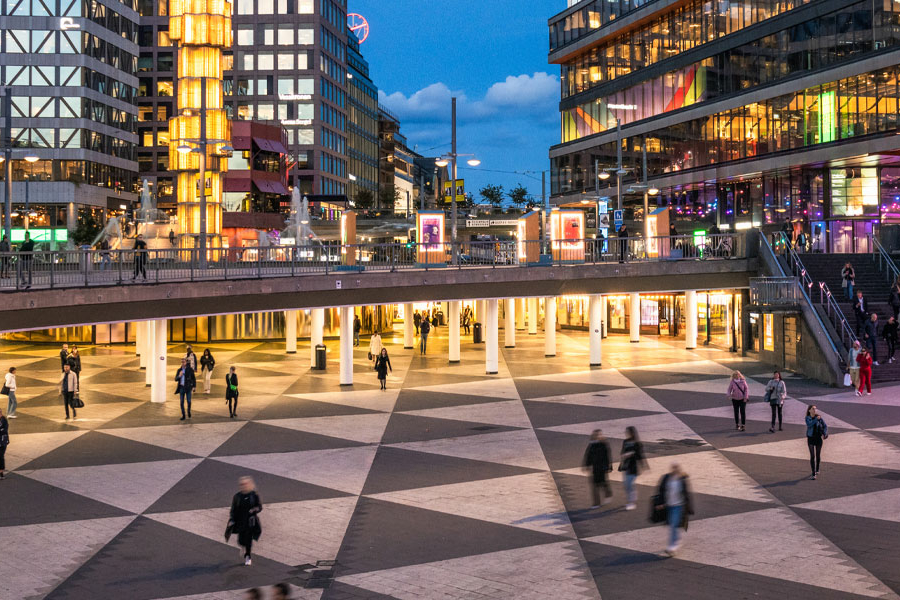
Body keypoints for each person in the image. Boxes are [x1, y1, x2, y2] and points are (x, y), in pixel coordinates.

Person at [655, 463, 693, 556]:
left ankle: (672, 546)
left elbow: (686, 494)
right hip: (669, 505)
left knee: (673, 525)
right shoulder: (666, 478)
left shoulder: (682, 479)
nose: (675, 469)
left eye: (676, 468)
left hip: (678, 506)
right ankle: (676, 541)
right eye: (673, 468)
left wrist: (689, 507)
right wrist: (660, 503)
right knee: (673, 525)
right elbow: (661, 491)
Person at [228, 476, 262, 566]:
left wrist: (255, 509)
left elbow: (260, 507)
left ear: (249, 485)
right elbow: (233, 509)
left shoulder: (254, 495)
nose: (243, 486)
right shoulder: (237, 496)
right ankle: (243, 546)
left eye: (245, 484)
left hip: (250, 522)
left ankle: (248, 555)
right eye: (241, 484)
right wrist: (232, 519)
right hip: (240, 521)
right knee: (241, 540)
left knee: (248, 539)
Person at [618, 426, 647, 510]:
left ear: (632, 433)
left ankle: (631, 502)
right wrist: (624, 455)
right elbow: (622, 452)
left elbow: (640, 455)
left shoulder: (637, 443)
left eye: (628, 432)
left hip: (633, 466)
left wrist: (643, 466)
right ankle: (631, 498)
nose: (627, 434)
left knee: (630, 484)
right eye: (626, 432)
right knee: (626, 485)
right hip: (625, 466)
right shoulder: (625, 441)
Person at [583, 429, 612, 508]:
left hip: (602, 467)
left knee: (602, 483)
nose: (597, 436)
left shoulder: (604, 444)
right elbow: (588, 455)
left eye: (599, 435)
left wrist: (609, 466)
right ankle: (596, 503)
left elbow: (607, 456)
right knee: (594, 485)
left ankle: (608, 493)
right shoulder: (591, 444)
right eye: (596, 435)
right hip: (594, 468)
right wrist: (586, 465)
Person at [805, 405, 828, 480]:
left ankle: (817, 468)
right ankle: (813, 473)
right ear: (809, 410)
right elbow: (809, 424)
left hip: (818, 438)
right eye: (813, 409)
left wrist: (825, 433)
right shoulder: (807, 418)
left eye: (815, 409)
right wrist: (815, 419)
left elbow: (825, 426)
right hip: (811, 439)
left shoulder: (819, 417)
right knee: (812, 456)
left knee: (818, 455)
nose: (815, 410)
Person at [0, 406, 8, 480]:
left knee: (0, 456)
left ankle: (1, 472)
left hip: (2, 442)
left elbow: (4, 430)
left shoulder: (3, 420)